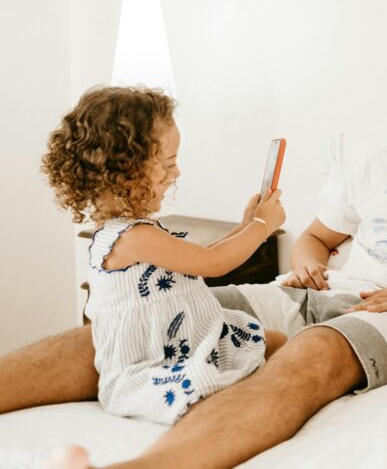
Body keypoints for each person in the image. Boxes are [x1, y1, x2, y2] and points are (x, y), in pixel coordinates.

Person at [1, 30, 387, 469]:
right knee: (154, 312)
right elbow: (316, 238)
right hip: (311, 293)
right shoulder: (379, 163)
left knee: (308, 356)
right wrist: (309, 266)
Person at [41, 86, 287, 425]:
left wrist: (247, 225)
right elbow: (215, 264)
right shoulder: (133, 237)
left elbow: (200, 256)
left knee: (274, 342)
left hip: (188, 339)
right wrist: (262, 226)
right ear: (125, 170)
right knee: (208, 387)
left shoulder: (135, 230)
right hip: (156, 359)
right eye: (168, 164)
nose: (177, 173)